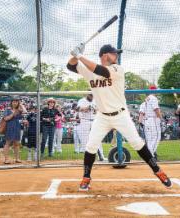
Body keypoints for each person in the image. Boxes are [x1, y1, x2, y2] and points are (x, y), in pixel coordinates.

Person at [67, 44, 172, 191]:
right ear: (105, 55)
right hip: (102, 116)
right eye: (113, 54)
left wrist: (79, 56)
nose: (116, 56)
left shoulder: (117, 69)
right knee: (91, 146)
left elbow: (101, 70)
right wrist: (74, 55)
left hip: (120, 115)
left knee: (137, 143)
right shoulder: (89, 71)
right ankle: (86, 177)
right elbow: (70, 66)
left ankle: (158, 171)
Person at [77, 93, 105, 161]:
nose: (92, 96)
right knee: (85, 139)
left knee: (98, 138)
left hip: (94, 120)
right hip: (84, 120)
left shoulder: (96, 100)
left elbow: (99, 110)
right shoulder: (82, 100)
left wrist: (95, 109)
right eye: (90, 95)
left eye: (93, 95)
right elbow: (78, 109)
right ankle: (88, 157)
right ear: (87, 94)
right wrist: (87, 107)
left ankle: (101, 155)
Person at [139, 85, 162, 160]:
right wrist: (160, 117)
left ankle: (149, 155)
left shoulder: (146, 99)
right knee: (157, 137)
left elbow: (142, 112)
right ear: (155, 90)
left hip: (146, 120)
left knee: (149, 139)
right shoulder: (154, 98)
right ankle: (151, 155)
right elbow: (156, 109)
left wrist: (140, 121)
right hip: (153, 119)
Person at [3, 96, 27, 164]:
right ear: (11, 102)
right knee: (8, 143)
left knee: (16, 144)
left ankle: (17, 158)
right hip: (9, 127)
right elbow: (6, 119)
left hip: (17, 127)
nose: (15, 103)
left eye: (16, 102)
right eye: (14, 101)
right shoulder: (7, 110)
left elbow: (25, 112)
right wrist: (13, 114)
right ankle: (6, 159)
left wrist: (21, 105)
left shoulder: (19, 110)